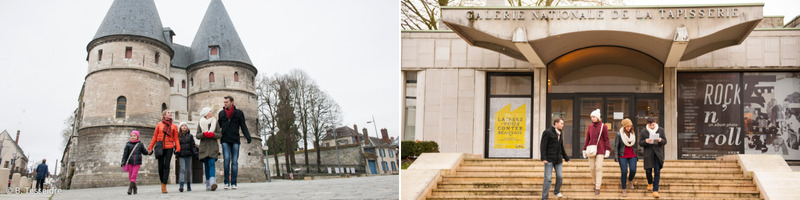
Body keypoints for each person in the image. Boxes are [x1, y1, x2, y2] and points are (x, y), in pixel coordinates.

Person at [218, 96, 252, 189]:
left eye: (227, 102)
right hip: (225, 139)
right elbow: (218, 126)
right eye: (224, 102)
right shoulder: (221, 113)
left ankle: (234, 182)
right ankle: (226, 181)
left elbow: (243, 126)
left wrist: (247, 137)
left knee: (235, 162)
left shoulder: (239, 113)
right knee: (226, 159)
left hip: (235, 140)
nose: (225, 104)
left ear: (232, 102)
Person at [148, 110, 181, 194]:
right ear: (164, 116)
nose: (170, 114)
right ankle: (162, 180)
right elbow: (155, 137)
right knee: (160, 166)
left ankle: (164, 184)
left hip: (169, 147)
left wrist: (178, 148)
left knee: (167, 165)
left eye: (170, 113)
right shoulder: (159, 125)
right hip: (160, 147)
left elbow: (176, 138)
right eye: (168, 113)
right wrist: (150, 147)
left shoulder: (174, 126)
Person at [540, 117, 570, 200]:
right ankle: (544, 197)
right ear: (556, 123)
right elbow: (543, 146)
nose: (563, 125)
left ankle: (556, 191)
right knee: (548, 179)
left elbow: (561, 147)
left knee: (560, 176)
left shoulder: (560, 133)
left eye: (563, 124)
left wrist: (566, 158)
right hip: (549, 159)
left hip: (558, 160)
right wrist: (543, 158)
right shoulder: (547, 132)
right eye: (561, 123)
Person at [582, 109, 609, 195]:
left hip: (600, 150)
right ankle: (595, 182)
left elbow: (606, 139)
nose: (592, 118)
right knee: (592, 168)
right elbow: (587, 139)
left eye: (594, 117)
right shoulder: (590, 127)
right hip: (591, 149)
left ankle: (597, 187)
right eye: (591, 117)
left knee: (598, 168)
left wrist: (607, 149)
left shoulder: (603, 126)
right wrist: (584, 149)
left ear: (597, 117)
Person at [639, 117, 666, 198]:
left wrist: (661, 140)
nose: (652, 127)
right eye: (650, 125)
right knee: (648, 171)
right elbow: (640, 143)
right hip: (648, 154)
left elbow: (665, 141)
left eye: (653, 125)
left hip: (658, 154)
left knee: (657, 171)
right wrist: (646, 141)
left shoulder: (661, 130)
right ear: (648, 124)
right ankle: (650, 183)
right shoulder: (643, 131)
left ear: (655, 123)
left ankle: (655, 190)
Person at [197, 107, 221, 191]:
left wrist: (212, 134)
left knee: (211, 163)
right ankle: (208, 184)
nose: (212, 112)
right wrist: (204, 134)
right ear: (206, 113)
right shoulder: (200, 123)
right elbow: (197, 135)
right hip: (204, 147)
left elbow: (219, 135)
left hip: (213, 147)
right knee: (206, 165)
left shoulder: (215, 122)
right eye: (210, 111)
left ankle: (212, 182)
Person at [614, 118, 639, 197]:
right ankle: (624, 189)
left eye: (630, 126)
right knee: (624, 172)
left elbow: (635, 145)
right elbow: (616, 145)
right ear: (624, 126)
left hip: (632, 155)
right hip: (623, 155)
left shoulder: (633, 133)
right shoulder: (619, 134)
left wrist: (637, 155)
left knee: (633, 170)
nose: (629, 128)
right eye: (627, 126)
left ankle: (630, 180)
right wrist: (616, 156)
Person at [121, 130, 149, 195]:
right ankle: (135, 188)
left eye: (134, 136)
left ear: (137, 137)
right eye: (131, 136)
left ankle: (130, 189)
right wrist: (123, 162)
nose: (133, 137)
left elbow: (144, 152)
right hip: (130, 162)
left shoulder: (140, 144)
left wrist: (149, 152)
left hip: (137, 162)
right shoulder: (128, 144)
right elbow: (125, 154)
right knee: (130, 176)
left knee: (134, 175)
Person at [176, 122, 198, 192]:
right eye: (182, 125)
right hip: (181, 155)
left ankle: (188, 185)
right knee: (182, 169)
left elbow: (193, 146)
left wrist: (195, 153)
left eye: (185, 125)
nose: (184, 126)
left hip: (188, 155)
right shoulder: (178, 136)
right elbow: (176, 145)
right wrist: (176, 151)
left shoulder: (190, 136)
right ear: (180, 128)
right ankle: (181, 185)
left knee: (188, 170)